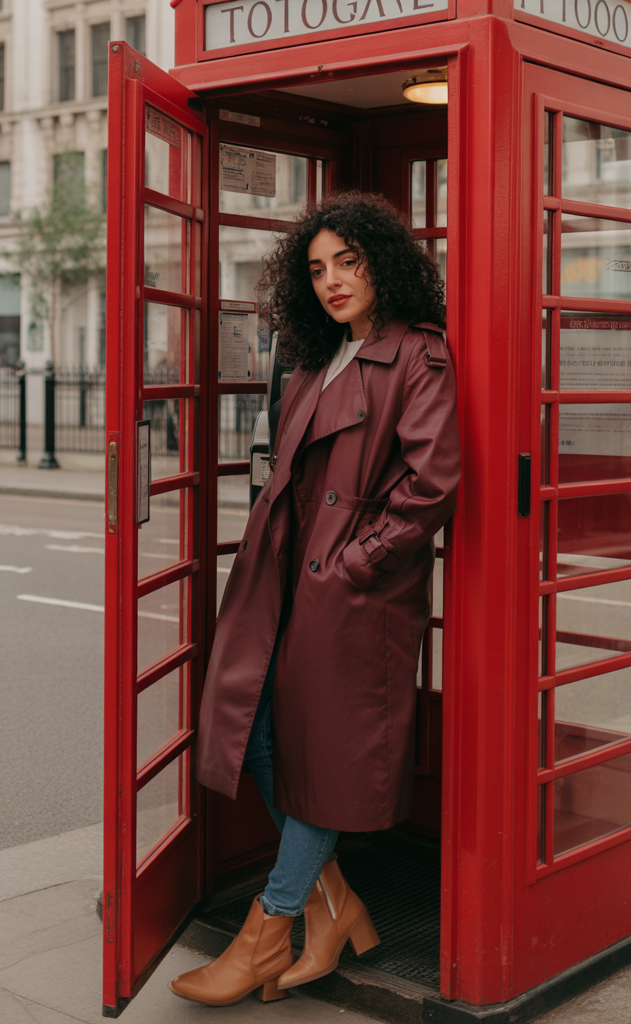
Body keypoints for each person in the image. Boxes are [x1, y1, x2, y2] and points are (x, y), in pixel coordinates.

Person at [169, 193, 461, 1007]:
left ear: (384, 263)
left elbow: (432, 485)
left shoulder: (418, 357)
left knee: (324, 762)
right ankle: (334, 905)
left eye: (349, 261)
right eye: (318, 267)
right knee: (255, 730)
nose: (333, 280)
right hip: (284, 581)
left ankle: (272, 926)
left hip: (352, 599)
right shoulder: (313, 358)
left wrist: (353, 565)